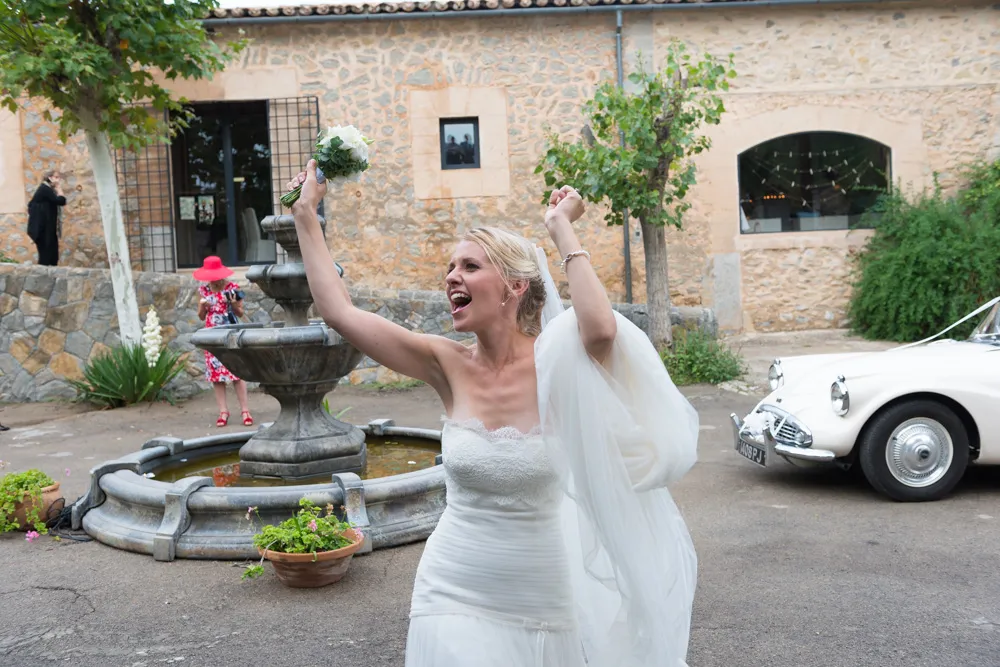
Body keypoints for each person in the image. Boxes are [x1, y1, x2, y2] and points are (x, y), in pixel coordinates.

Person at [288, 160, 700, 667]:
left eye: (469, 267)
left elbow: (601, 330)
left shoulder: (559, 361)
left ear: (514, 285)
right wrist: (307, 213)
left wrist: (560, 227)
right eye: (449, 268)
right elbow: (340, 312)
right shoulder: (445, 363)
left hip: (543, 592)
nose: (450, 278)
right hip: (452, 586)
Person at [193, 256, 254, 428]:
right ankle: (223, 411)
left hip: (230, 331)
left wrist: (233, 303)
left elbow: (240, 313)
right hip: (212, 333)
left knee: (237, 372)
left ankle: (245, 411)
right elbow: (201, 316)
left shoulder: (232, 288)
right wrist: (202, 307)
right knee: (216, 375)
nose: (213, 279)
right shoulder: (204, 291)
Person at [27, 170, 67, 266]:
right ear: (50, 178)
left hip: (47, 228)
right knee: (46, 256)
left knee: (52, 255)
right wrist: (59, 188)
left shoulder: (47, 189)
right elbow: (61, 201)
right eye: (56, 177)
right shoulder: (44, 189)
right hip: (42, 229)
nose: (59, 180)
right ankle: (43, 278)